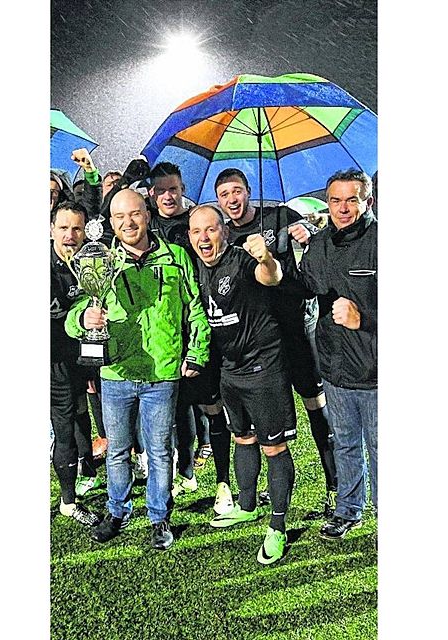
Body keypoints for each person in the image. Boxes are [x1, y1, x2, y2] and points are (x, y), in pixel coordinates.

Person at [65, 189, 211, 550]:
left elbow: (195, 309)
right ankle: (117, 511)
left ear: (146, 214)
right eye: (119, 217)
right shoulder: (100, 260)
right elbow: (75, 317)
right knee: (117, 450)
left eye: (134, 214)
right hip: (116, 373)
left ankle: (159, 517)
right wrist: (84, 317)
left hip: (162, 373)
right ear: (111, 223)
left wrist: (197, 352)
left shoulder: (176, 257)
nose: (128, 223)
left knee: (160, 450)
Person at [215, 168, 339, 519]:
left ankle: (333, 486)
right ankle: (263, 492)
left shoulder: (281, 215)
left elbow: (323, 236)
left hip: (296, 328)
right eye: (224, 194)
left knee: (317, 406)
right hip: (260, 346)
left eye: (236, 191)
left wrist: (311, 231)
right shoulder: (224, 236)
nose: (232, 200)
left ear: (248, 191)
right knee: (267, 426)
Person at [188, 205, 296, 565]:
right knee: (242, 438)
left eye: (210, 230)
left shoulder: (241, 258)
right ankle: (247, 505)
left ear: (224, 232)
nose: (204, 237)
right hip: (230, 370)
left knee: (273, 448)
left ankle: (278, 527)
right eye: (196, 231)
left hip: (263, 368)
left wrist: (266, 258)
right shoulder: (198, 268)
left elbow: (272, 278)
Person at [145, 162, 233, 511]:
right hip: (166, 337)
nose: (168, 195)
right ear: (151, 195)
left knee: (213, 410)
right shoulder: (146, 225)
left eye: (174, 188)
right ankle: (186, 473)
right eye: (161, 190)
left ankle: (224, 483)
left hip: (202, 330)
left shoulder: (196, 223)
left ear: (182, 188)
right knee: (178, 412)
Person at [298, 169, 377, 540]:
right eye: (335, 200)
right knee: (344, 442)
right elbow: (304, 287)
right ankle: (348, 510)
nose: (342, 209)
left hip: (377, 372)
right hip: (334, 368)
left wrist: (365, 319)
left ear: (368, 202)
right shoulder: (320, 242)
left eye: (351, 200)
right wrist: (279, 255)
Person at [50, 202, 102, 527]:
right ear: (51, 229)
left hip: (81, 353)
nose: (70, 235)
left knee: (83, 409)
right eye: (64, 228)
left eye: (77, 229)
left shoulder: (87, 262)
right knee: (65, 425)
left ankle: (88, 468)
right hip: (52, 360)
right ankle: (69, 501)